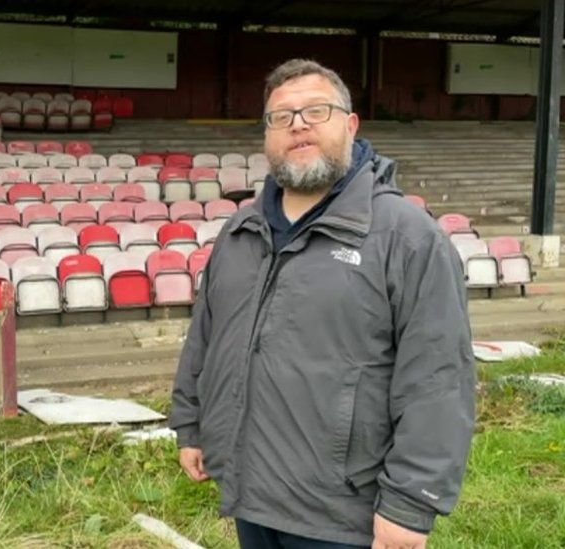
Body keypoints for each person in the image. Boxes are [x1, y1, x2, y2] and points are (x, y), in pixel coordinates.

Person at [170, 58, 476, 549]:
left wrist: (410, 506)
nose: (298, 125)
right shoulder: (240, 232)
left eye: (317, 110)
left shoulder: (406, 237)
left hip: (342, 514)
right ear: (267, 135)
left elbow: (438, 379)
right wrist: (190, 425)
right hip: (251, 494)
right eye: (281, 117)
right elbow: (206, 338)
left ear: (350, 125)